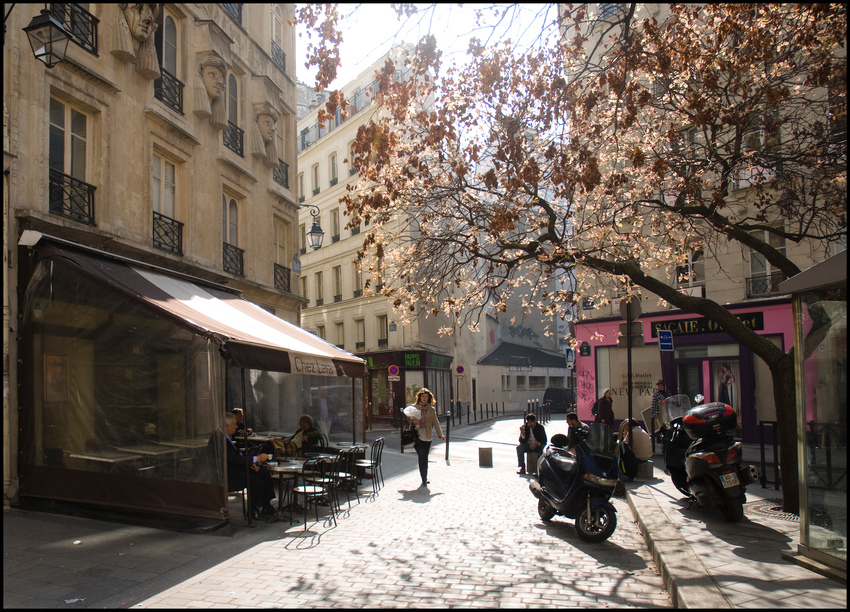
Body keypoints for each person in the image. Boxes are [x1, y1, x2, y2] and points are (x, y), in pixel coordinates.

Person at [220, 412, 276, 519]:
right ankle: (252, 510)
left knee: (263, 473)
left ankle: (266, 506)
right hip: (231, 474)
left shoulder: (228, 438)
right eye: (235, 424)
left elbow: (237, 455)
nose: (237, 426)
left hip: (238, 468)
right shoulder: (222, 439)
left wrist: (250, 463)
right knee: (255, 481)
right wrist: (256, 459)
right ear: (226, 426)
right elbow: (233, 459)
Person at [412, 388, 444, 487]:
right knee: (422, 455)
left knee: (424, 457)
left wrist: (440, 434)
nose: (424, 398)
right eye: (423, 396)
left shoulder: (431, 409)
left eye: (426, 397)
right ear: (419, 397)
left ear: (429, 398)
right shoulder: (415, 408)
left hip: (428, 436)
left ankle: (424, 477)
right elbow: (408, 420)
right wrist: (413, 421)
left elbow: (436, 422)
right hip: (417, 436)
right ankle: (424, 479)